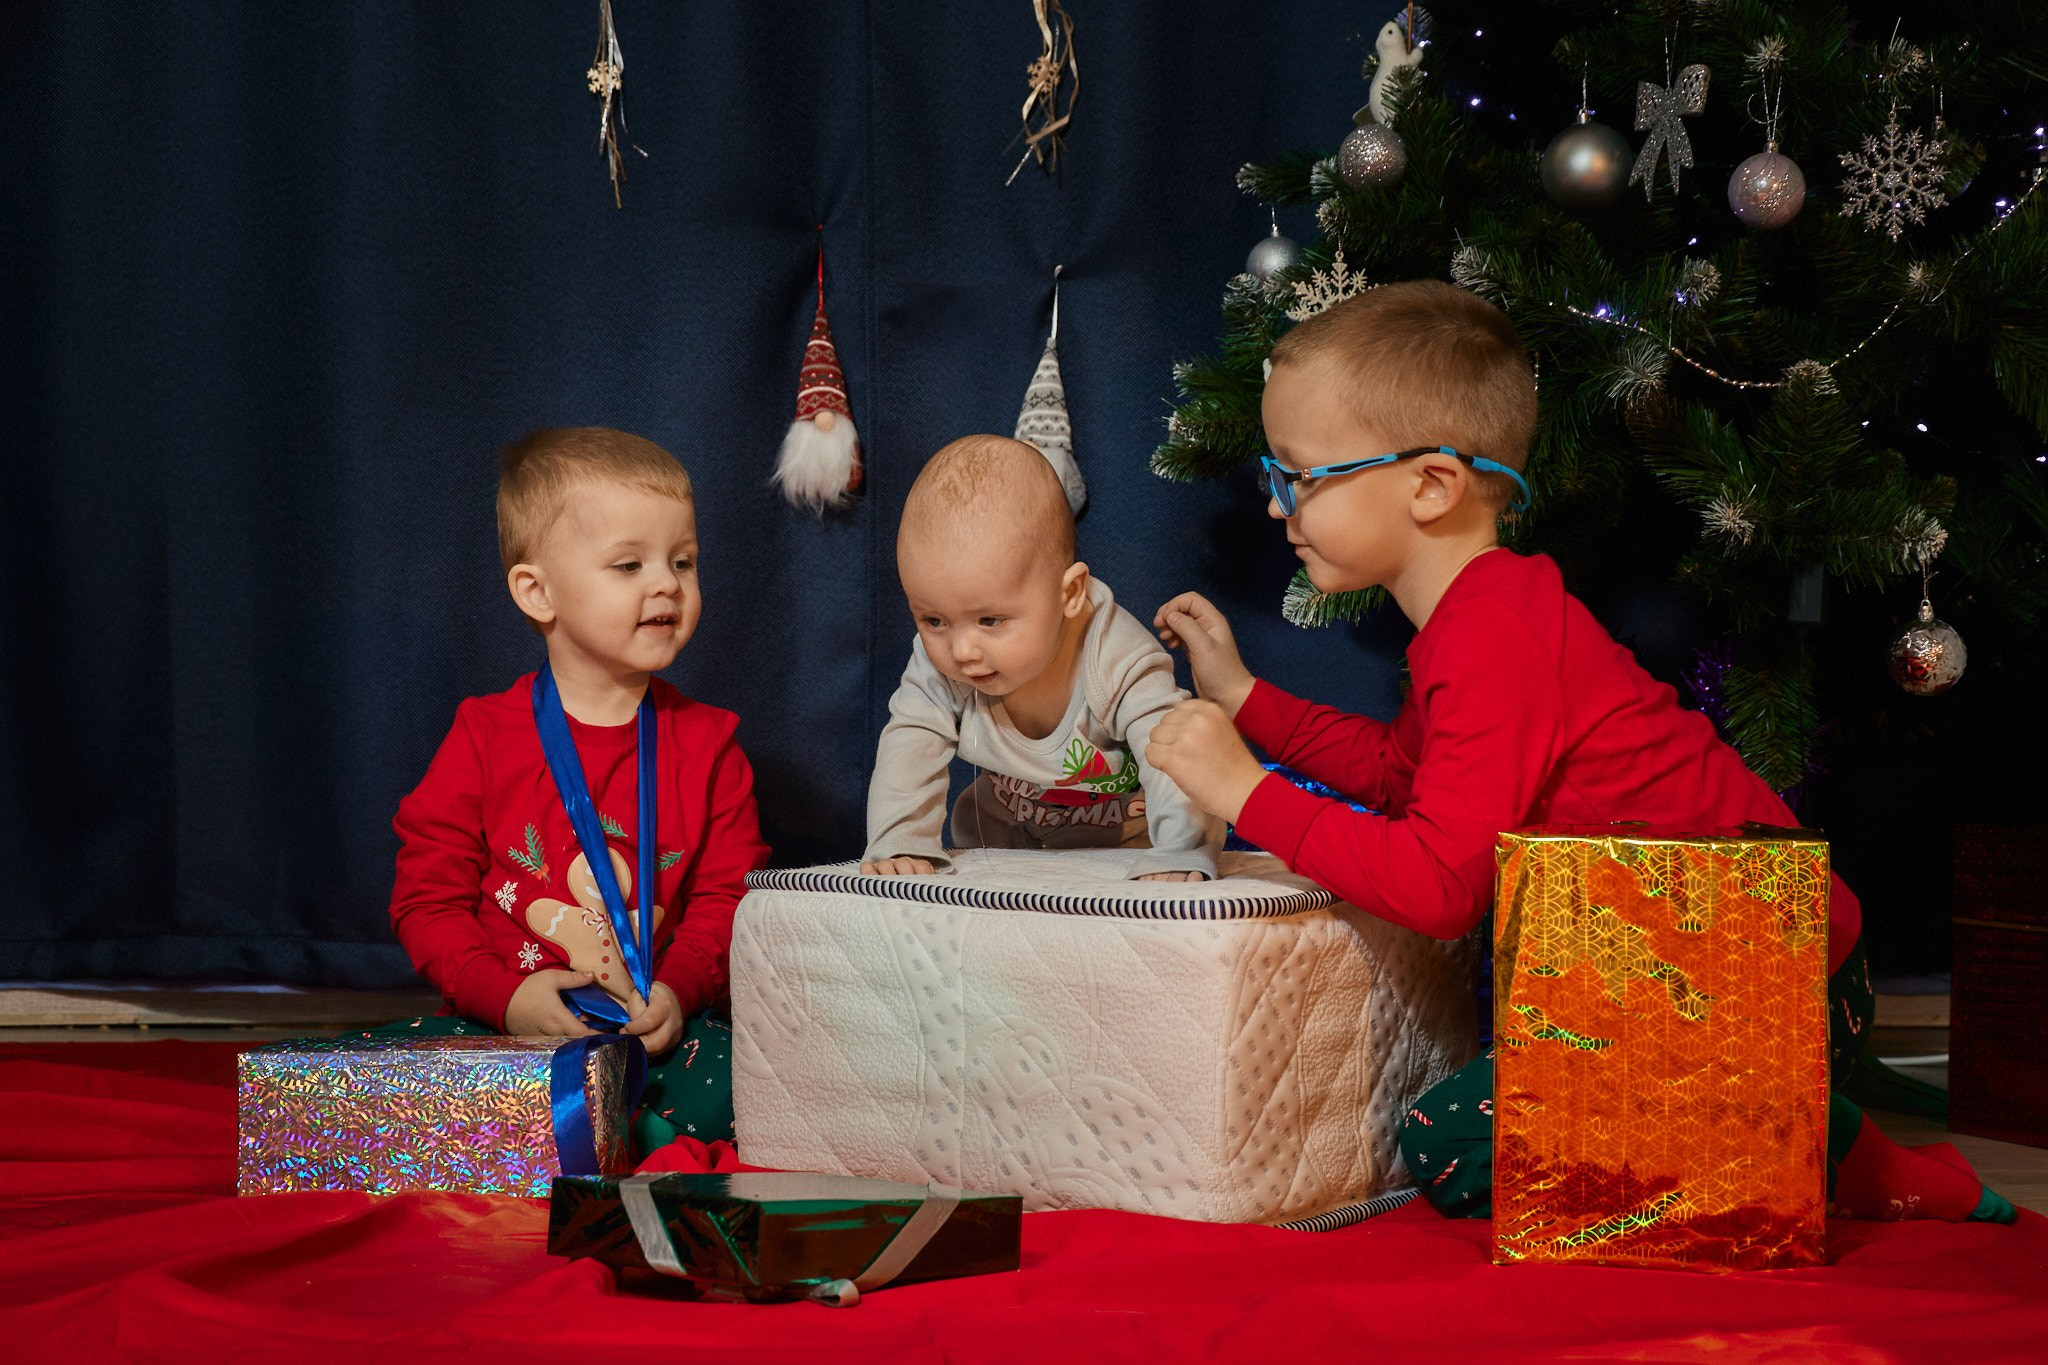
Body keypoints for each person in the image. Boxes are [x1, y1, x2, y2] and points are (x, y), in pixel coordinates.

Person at [1145, 280, 2013, 1224]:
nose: (1280, 507)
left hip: (1777, 976)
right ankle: (1756, 1124)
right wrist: (1248, 701)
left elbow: (1440, 887)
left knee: (1451, 1144)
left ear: (1430, 485)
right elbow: (1402, 777)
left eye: (1301, 476)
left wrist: (1245, 790)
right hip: (1688, 971)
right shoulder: (1476, 617)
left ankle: (1827, 1143)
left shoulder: (1492, 635)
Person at [386, 427, 769, 1151]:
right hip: (510, 1025)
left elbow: (729, 902)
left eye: (683, 561)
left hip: (652, 1029)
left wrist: (678, 991)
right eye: (629, 564)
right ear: (538, 591)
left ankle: (619, 1130)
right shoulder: (484, 735)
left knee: (746, 1082)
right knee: (408, 1072)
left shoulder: (711, 743)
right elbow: (425, 899)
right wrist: (505, 997)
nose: (667, 584)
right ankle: (588, 1133)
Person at [862, 435, 1220, 881]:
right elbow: (912, 738)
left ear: (1069, 593)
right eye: (933, 620)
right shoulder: (942, 665)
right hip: (1008, 836)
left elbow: (1169, 745)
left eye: (990, 620)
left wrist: (1180, 850)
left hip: (1134, 838)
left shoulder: (1114, 655)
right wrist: (900, 840)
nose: (962, 651)